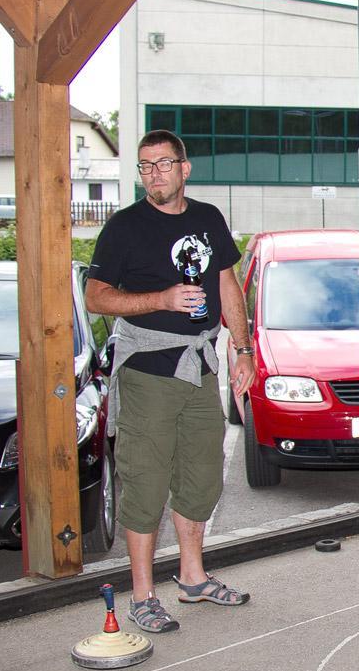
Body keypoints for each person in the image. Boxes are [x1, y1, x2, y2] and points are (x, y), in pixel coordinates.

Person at [86, 130, 256, 633]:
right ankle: (142, 595)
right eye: (145, 166)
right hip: (148, 371)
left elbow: (227, 283)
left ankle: (193, 577)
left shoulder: (208, 218)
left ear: (185, 168)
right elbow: (96, 296)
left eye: (163, 164)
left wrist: (242, 348)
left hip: (200, 367)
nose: (154, 174)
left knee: (202, 476)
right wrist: (161, 299)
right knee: (144, 481)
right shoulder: (124, 226)